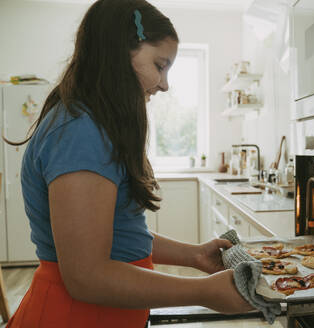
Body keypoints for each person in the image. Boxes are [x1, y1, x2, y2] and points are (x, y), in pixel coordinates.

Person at [5, 0, 252, 327]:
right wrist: (203, 292)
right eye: (160, 65)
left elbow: (120, 234)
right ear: (118, 55)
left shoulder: (91, 124)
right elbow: (87, 277)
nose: (164, 84)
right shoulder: (80, 132)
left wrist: (193, 255)